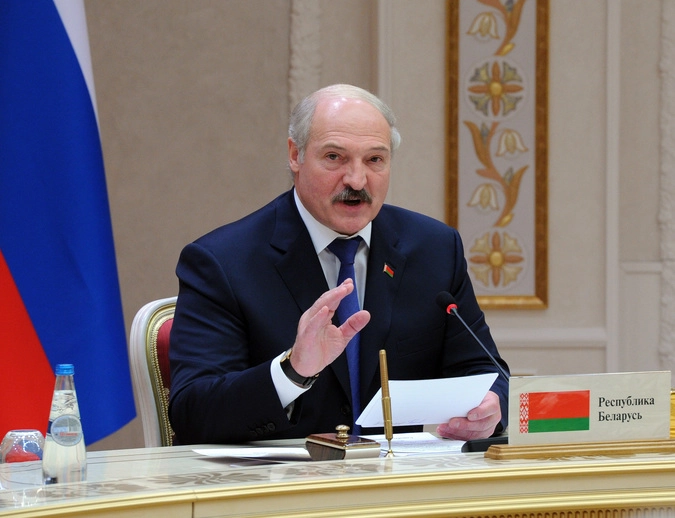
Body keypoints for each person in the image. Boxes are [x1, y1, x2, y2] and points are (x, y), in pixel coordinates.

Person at [168, 84, 509, 445]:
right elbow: (193, 412)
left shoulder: (435, 249)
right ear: (295, 155)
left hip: (399, 477)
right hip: (280, 477)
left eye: (374, 160)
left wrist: (491, 406)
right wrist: (293, 371)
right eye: (334, 157)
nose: (357, 180)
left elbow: (483, 369)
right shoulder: (222, 261)